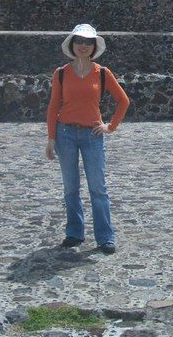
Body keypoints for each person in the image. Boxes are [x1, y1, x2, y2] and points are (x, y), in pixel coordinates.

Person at [45, 24, 130, 254]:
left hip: (93, 135)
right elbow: (53, 107)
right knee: (70, 187)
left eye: (88, 42)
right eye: (79, 41)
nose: (83, 45)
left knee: (98, 187)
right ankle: (74, 232)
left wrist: (110, 127)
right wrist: (51, 138)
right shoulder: (61, 73)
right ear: (72, 44)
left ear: (94, 47)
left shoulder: (102, 73)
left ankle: (105, 236)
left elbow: (123, 101)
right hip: (65, 134)